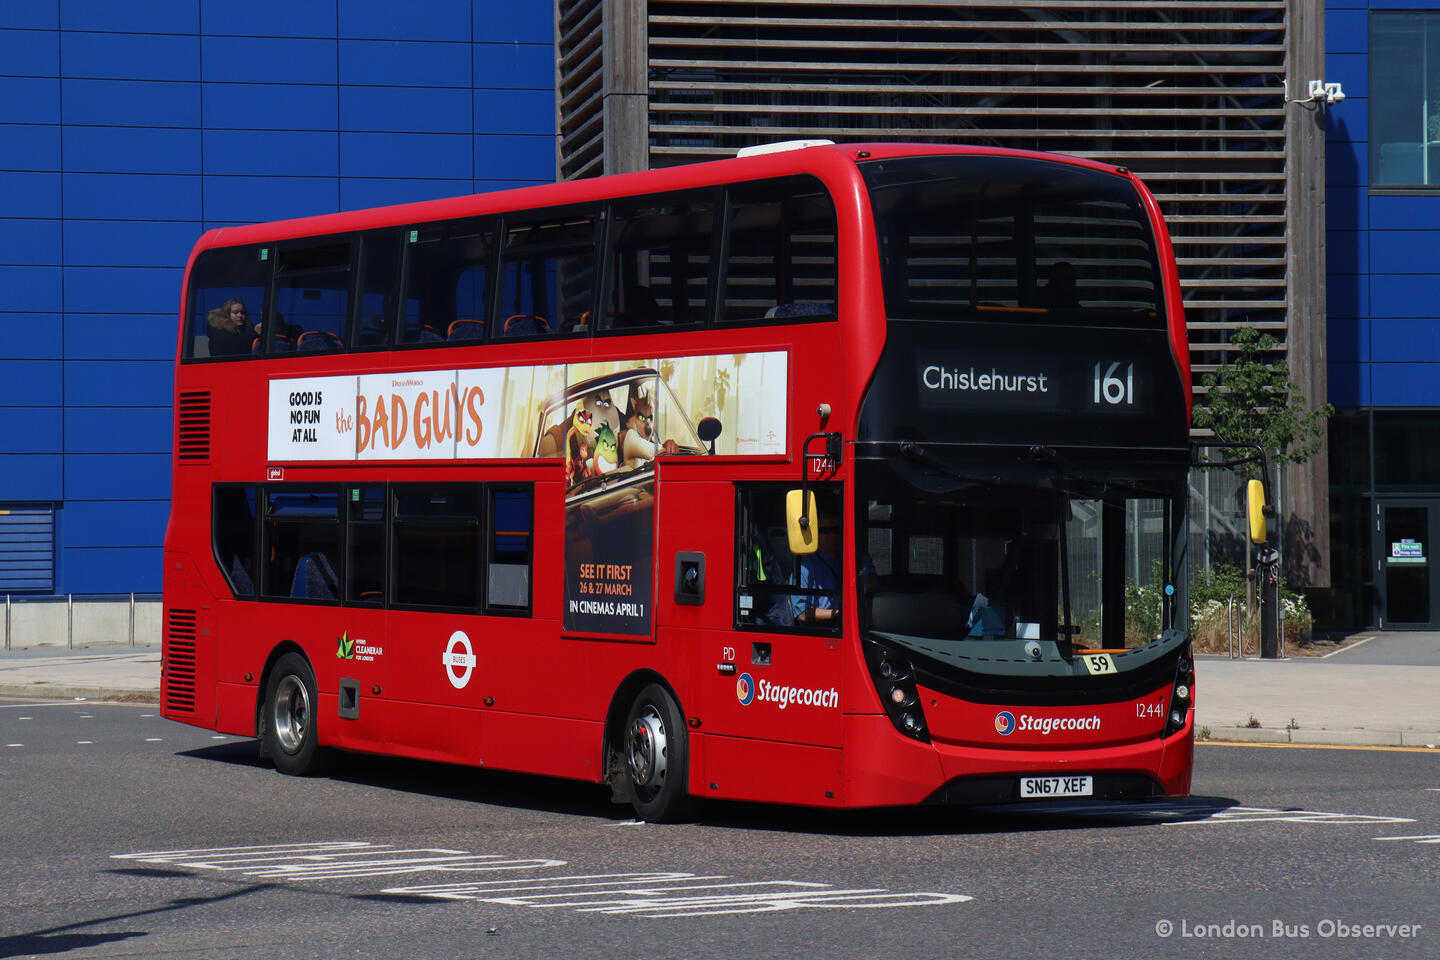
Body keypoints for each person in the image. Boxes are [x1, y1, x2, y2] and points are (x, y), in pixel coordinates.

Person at [792, 496, 876, 624]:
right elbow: (802, 613)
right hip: (823, 631)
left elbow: (872, 582)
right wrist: (839, 614)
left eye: (836, 530)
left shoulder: (858, 556)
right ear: (815, 534)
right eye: (826, 531)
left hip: (860, 623)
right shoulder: (805, 566)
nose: (833, 535)